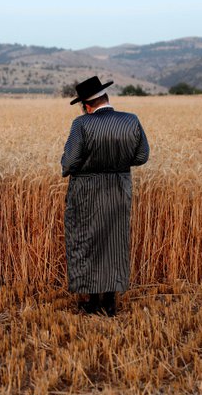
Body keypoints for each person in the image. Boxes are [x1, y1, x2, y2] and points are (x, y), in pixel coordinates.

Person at [61, 76, 150, 316]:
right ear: (105, 98)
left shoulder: (81, 124)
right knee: (114, 241)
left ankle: (92, 301)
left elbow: (69, 161)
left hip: (86, 191)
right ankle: (110, 302)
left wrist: (77, 167)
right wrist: (119, 164)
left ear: (86, 105)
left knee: (86, 239)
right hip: (120, 189)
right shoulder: (131, 120)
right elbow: (142, 156)